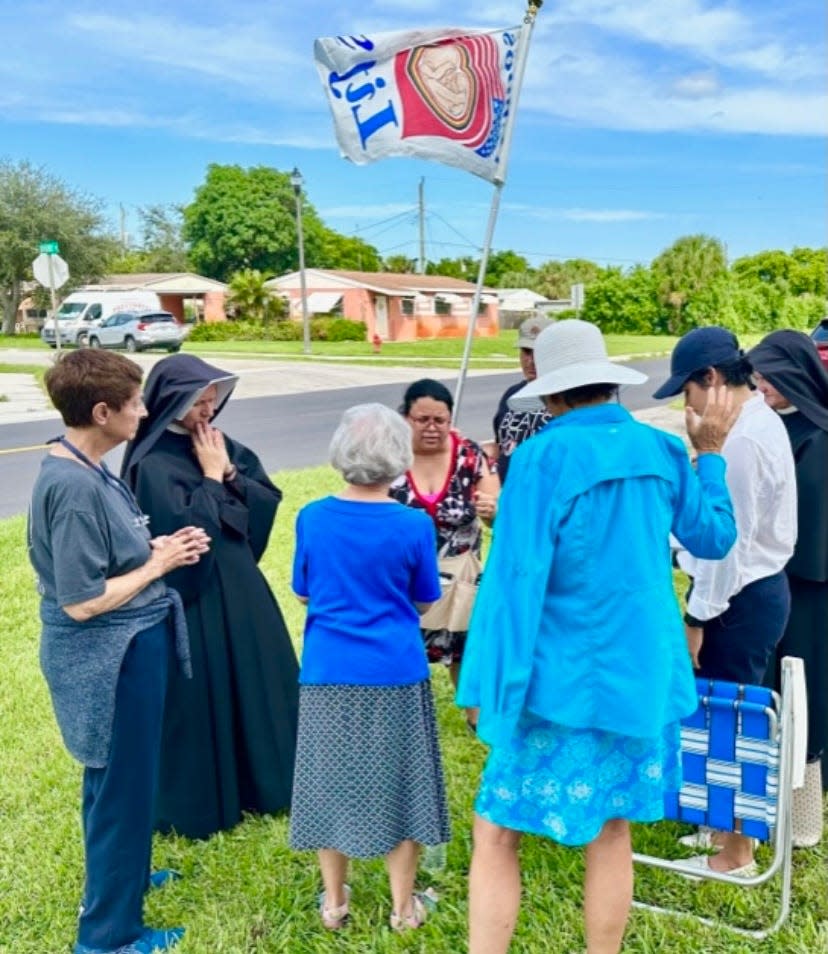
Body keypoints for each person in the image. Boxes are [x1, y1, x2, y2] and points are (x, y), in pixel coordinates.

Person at [457, 319, 739, 954]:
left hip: (553, 681)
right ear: (608, 383)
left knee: (497, 828)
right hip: (640, 679)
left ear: (551, 393)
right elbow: (715, 539)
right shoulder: (664, 451)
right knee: (613, 830)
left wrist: (482, 685)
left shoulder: (539, 457)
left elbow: (513, 583)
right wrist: (712, 456)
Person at [29, 350, 210, 954]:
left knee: (117, 783)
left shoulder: (88, 464)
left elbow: (108, 555)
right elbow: (81, 602)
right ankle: (109, 934)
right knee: (120, 789)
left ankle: (123, 879)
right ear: (102, 411)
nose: (145, 409)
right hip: (108, 660)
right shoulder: (75, 486)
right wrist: (159, 563)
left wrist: (155, 547)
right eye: (134, 402)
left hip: (127, 649)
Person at [121, 354, 299, 840]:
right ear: (170, 401)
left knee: (258, 681)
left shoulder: (217, 445)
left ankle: (270, 785)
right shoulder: (151, 461)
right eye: (196, 400)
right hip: (194, 600)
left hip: (240, 590)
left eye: (211, 398)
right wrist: (210, 477)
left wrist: (229, 475)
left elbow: (259, 499)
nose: (207, 409)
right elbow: (189, 538)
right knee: (205, 693)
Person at [290, 404, 450, 932]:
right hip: (395, 672)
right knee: (400, 785)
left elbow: (304, 591)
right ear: (398, 459)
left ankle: (335, 902)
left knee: (328, 783)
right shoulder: (412, 525)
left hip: (327, 672)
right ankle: (404, 908)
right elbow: (426, 599)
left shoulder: (312, 517)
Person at [653, 326, 797, 875]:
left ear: (710, 380)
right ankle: (723, 829)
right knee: (728, 711)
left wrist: (696, 618)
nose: (685, 405)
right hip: (755, 590)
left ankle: (735, 851)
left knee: (732, 719)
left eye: (686, 391)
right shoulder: (760, 419)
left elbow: (723, 550)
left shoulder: (738, 442)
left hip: (738, 597)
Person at [749, 330, 828, 833]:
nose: (761, 386)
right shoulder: (785, 426)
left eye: (770, 376)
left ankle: (801, 820)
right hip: (785, 582)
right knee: (781, 688)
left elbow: (810, 527)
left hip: (808, 587)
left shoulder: (816, 435)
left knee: (805, 693)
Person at [389, 379, 499, 724]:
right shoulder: (389, 457)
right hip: (404, 576)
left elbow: (496, 509)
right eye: (422, 420)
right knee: (401, 646)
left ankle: (475, 714)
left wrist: (491, 510)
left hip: (461, 573)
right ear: (405, 418)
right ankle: (402, 714)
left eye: (440, 420)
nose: (432, 428)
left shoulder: (470, 455)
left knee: (464, 647)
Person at [489, 316, 554, 484]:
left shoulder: (566, 399)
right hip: (508, 493)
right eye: (526, 351)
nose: (530, 361)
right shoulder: (512, 395)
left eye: (538, 352)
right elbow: (500, 444)